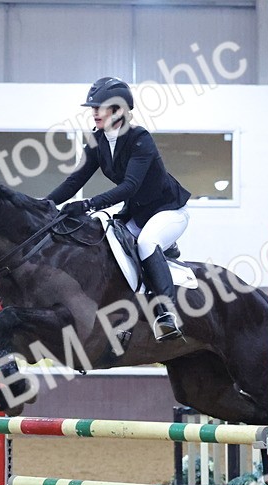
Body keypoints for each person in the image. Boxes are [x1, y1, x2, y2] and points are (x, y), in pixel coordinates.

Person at [45, 77, 191, 341]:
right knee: (109, 244)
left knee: (146, 243)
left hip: (168, 211)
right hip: (136, 213)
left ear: (119, 111)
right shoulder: (96, 140)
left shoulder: (140, 139)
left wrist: (89, 204)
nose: (93, 113)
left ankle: (167, 314)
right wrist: (44, 205)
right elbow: (75, 180)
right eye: (93, 108)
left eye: (99, 107)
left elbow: (130, 186)